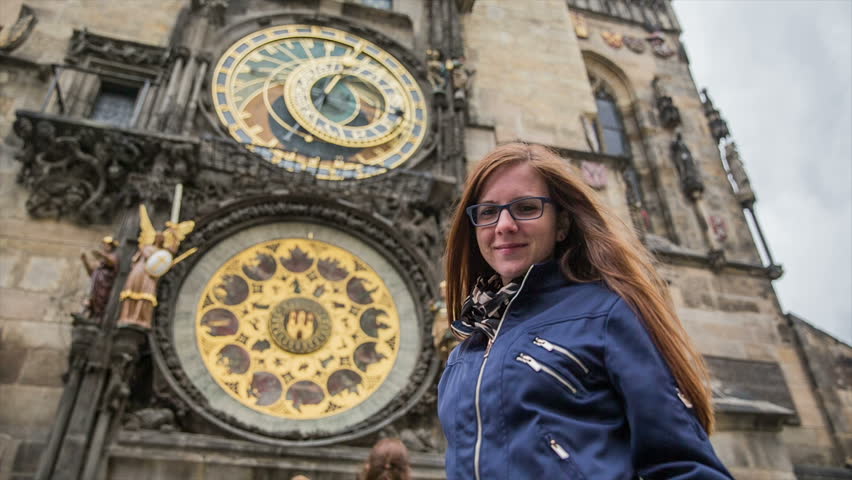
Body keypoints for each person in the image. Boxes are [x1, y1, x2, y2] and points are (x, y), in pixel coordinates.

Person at [438, 142, 732, 479]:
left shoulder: (605, 315)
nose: (504, 224)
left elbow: (683, 465)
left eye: (526, 207)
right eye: (488, 212)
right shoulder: (465, 351)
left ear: (561, 224)